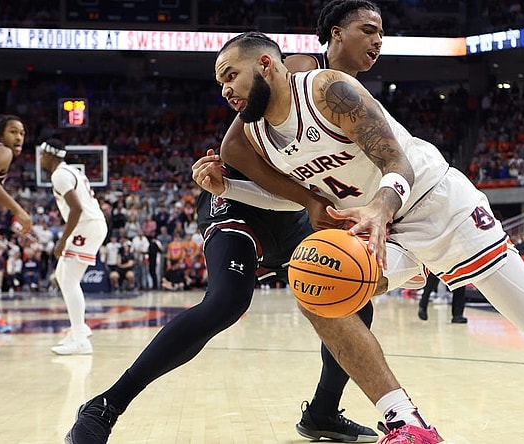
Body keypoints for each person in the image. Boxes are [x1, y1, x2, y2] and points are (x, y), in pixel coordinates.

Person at [194, 31, 524, 443]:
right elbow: (295, 197)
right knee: (316, 290)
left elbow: (395, 159)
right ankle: (406, 423)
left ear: (265, 64)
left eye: (229, 75)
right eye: (220, 85)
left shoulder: (329, 91)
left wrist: (380, 204)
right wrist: (229, 186)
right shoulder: (251, 138)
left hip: (435, 205)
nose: (225, 90)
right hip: (379, 231)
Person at [65, 2, 386, 443]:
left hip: (289, 210)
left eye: (380, 33)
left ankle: (323, 413)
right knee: (227, 302)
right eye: (367, 30)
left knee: (351, 300)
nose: (377, 41)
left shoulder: (349, 95)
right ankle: (103, 406)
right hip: (236, 201)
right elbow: (233, 147)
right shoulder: (301, 68)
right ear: (335, 35)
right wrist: (308, 198)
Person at [40, 138, 108, 355]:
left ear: (50, 155)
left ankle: (80, 339)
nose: (40, 158)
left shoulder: (59, 175)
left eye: (42, 154)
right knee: (62, 275)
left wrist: (62, 239)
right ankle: (79, 329)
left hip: (86, 225)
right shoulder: (69, 171)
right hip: (90, 224)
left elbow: (76, 209)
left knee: (69, 280)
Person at [0, 114, 33, 333]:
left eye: (22, 133)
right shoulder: (1, 150)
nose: (19, 137)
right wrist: (18, 210)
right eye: (13, 131)